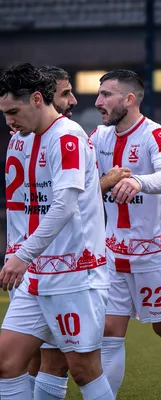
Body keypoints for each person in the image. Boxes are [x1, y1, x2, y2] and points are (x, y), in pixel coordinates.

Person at [0, 63, 112, 400]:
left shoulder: (67, 136)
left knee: (83, 370)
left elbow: (64, 206)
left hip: (75, 275)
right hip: (36, 274)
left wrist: (22, 255)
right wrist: (18, 254)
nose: (8, 121)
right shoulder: (21, 140)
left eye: (13, 112)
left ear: (37, 99)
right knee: (7, 363)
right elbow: (23, 207)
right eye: (4, 113)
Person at [90, 69, 161, 400]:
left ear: (129, 99)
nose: (98, 102)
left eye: (106, 94)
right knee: (109, 332)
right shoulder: (98, 137)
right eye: (99, 94)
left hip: (154, 253)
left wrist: (138, 180)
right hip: (112, 253)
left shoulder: (155, 134)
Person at [4, 65, 78, 399]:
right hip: (44, 260)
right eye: (64, 93)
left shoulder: (22, 139)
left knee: (28, 359)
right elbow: (63, 202)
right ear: (42, 97)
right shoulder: (50, 137)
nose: (71, 101)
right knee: (53, 361)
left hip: (25, 255)